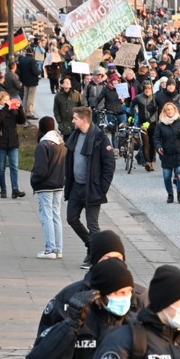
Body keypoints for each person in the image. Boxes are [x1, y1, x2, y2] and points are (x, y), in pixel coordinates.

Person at [64, 108, 116, 267]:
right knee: (71, 218)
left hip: (91, 188)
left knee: (92, 225)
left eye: (75, 118)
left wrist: (102, 189)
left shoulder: (100, 138)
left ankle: (96, 258)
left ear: (84, 120)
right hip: (76, 187)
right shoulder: (75, 135)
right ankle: (91, 246)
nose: (72, 121)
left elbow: (109, 166)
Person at [31, 116, 67, 259]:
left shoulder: (43, 145)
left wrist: (34, 180)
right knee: (56, 216)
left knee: (46, 216)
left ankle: (49, 249)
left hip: (45, 185)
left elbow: (40, 170)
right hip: (58, 183)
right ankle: (58, 249)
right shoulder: (61, 143)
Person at [0, 91, 27, 198]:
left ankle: (15, 189)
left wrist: (19, 109)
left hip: (12, 143)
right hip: (0, 143)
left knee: (14, 166)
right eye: (5, 100)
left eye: (8, 100)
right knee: (1, 168)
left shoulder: (12, 111)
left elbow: (22, 120)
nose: (7, 102)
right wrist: (6, 108)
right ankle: (3, 189)